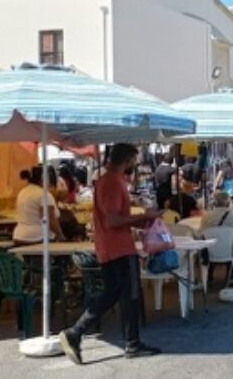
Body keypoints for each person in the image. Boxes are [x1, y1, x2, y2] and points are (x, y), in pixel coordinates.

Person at [60, 143, 163, 364]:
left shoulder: (107, 182)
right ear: (127, 160)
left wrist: (139, 220)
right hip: (120, 248)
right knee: (130, 295)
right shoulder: (114, 183)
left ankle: (76, 332)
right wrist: (142, 216)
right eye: (134, 161)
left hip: (108, 246)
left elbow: (111, 219)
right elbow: (113, 220)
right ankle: (132, 343)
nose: (135, 165)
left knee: (112, 294)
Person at [13, 167, 66, 245]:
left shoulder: (22, 192)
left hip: (19, 235)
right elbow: (49, 218)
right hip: (37, 237)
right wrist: (60, 236)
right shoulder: (44, 194)